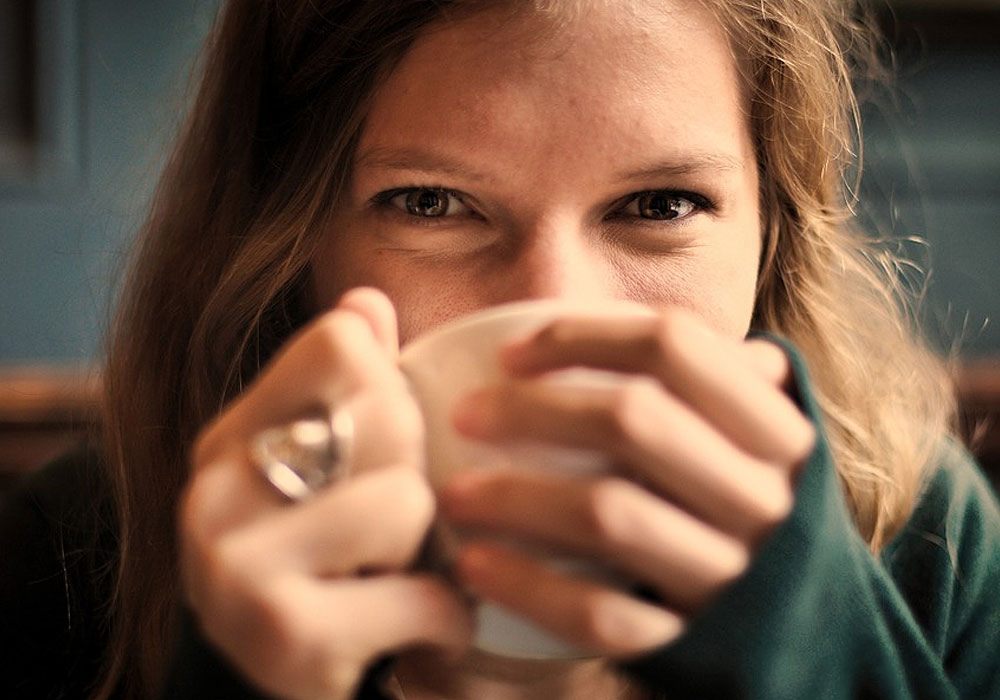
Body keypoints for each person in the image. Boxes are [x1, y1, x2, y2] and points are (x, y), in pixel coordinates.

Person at [1, 0, 998, 698]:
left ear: (771, 234)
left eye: (659, 206)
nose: (554, 310)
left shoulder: (927, 547)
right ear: (291, 241)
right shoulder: (81, 547)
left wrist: (822, 660)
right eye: (431, 203)